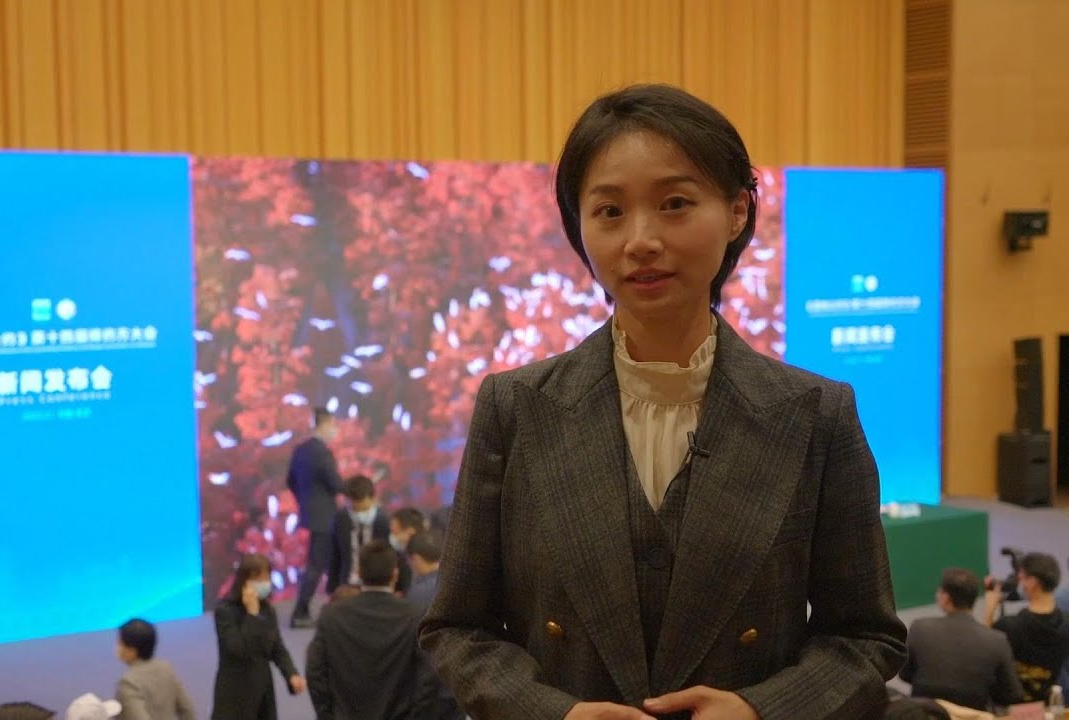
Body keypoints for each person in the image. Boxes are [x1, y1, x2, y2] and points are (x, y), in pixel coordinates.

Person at [420, 83, 907, 720]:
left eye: (675, 203)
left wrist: (761, 710)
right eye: (609, 211)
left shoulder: (816, 414)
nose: (641, 240)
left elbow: (865, 637)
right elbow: (457, 629)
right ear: (579, 226)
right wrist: (553, 713)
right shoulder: (515, 407)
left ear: (737, 211)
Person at [306, 541, 435, 720]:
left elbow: (315, 670)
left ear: (359, 573)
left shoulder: (332, 615)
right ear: (395, 574)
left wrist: (327, 714)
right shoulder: (414, 616)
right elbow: (429, 676)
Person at [899, 568, 1022, 711]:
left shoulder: (920, 628)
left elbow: (904, 674)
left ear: (945, 597)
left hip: (926, 714)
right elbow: (1013, 694)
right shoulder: (997, 640)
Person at [212, 553, 307, 720]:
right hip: (234, 694)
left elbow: (276, 646)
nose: (264, 583)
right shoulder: (225, 611)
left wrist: (291, 673)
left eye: (266, 578)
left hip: (262, 691)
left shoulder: (267, 610)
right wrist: (252, 615)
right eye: (258, 579)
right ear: (244, 581)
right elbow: (237, 649)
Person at [287, 407, 344, 629]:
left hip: (312, 515)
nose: (335, 430)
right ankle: (300, 612)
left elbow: (290, 481)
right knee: (317, 564)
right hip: (325, 517)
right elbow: (336, 484)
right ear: (325, 424)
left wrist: (305, 501)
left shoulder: (301, 450)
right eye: (334, 425)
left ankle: (333, 609)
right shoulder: (322, 452)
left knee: (324, 563)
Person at [985, 552, 1069, 703]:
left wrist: (989, 611)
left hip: (1009, 706)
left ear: (1032, 582)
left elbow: (982, 653)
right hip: (1048, 703)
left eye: (1022, 578)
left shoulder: (1008, 626)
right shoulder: (1065, 625)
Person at [405, 530, 464, 720]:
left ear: (415, 559)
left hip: (431, 687)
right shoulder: (459, 583)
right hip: (459, 681)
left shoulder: (416, 595)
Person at [115, 618, 197, 720]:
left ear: (132, 650)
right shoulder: (165, 669)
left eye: (120, 643)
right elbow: (187, 710)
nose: (117, 647)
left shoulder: (128, 683)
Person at [326, 474, 390, 596]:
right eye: (352, 502)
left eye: (360, 502)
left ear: (372, 498)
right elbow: (335, 554)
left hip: (376, 584)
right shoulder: (342, 518)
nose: (356, 507)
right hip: (348, 582)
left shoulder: (384, 521)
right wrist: (332, 586)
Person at [389, 507, 426, 595]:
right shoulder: (398, 556)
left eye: (395, 532)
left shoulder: (423, 557)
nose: (392, 537)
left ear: (410, 531)